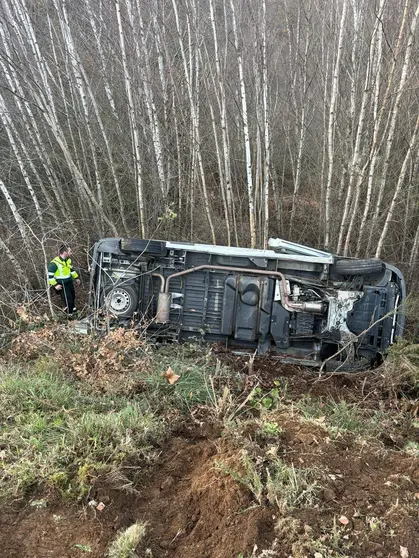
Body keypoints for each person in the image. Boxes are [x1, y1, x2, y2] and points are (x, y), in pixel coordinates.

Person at [48, 245, 80, 315]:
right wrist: (55, 285)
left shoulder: (68, 260)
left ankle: (73, 310)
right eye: (70, 251)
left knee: (73, 296)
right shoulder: (54, 263)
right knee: (68, 300)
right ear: (65, 252)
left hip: (69, 282)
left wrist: (76, 277)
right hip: (62, 284)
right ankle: (70, 316)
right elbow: (50, 276)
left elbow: (71, 270)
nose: (71, 253)